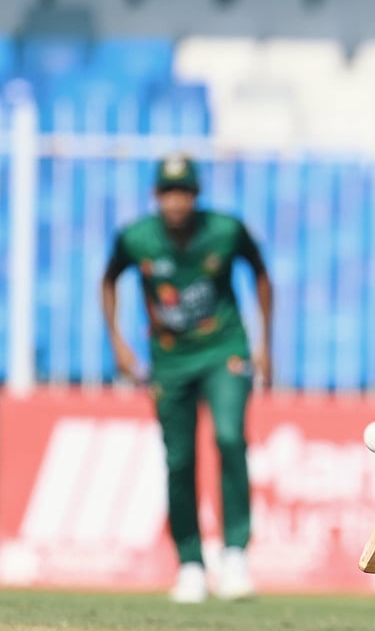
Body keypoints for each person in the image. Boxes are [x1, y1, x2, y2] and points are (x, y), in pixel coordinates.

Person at [100, 154, 273, 603]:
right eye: (169, 193)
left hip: (223, 350)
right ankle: (191, 563)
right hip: (170, 361)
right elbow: (108, 280)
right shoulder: (136, 238)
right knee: (179, 460)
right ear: (156, 196)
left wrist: (265, 345)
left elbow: (260, 274)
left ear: (196, 196)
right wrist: (119, 343)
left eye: (185, 193)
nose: (177, 202)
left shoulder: (225, 230)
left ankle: (235, 555)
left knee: (231, 439)